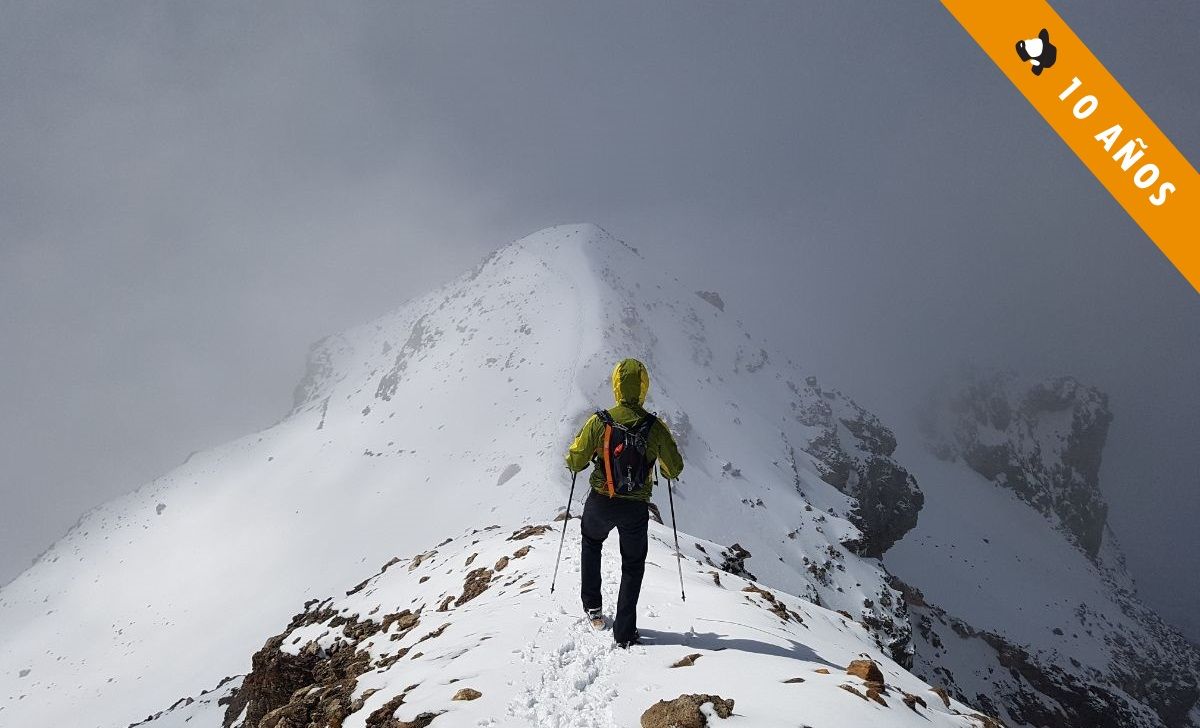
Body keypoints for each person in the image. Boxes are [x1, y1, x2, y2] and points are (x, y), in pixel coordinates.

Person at [564, 358, 684, 647]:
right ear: (643, 388)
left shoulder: (600, 421)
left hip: (601, 500)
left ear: (616, 385)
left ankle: (593, 609)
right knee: (632, 564)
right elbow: (674, 468)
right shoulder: (655, 427)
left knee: (592, 543)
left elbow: (575, 460)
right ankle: (625, 632)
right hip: (635, 508)